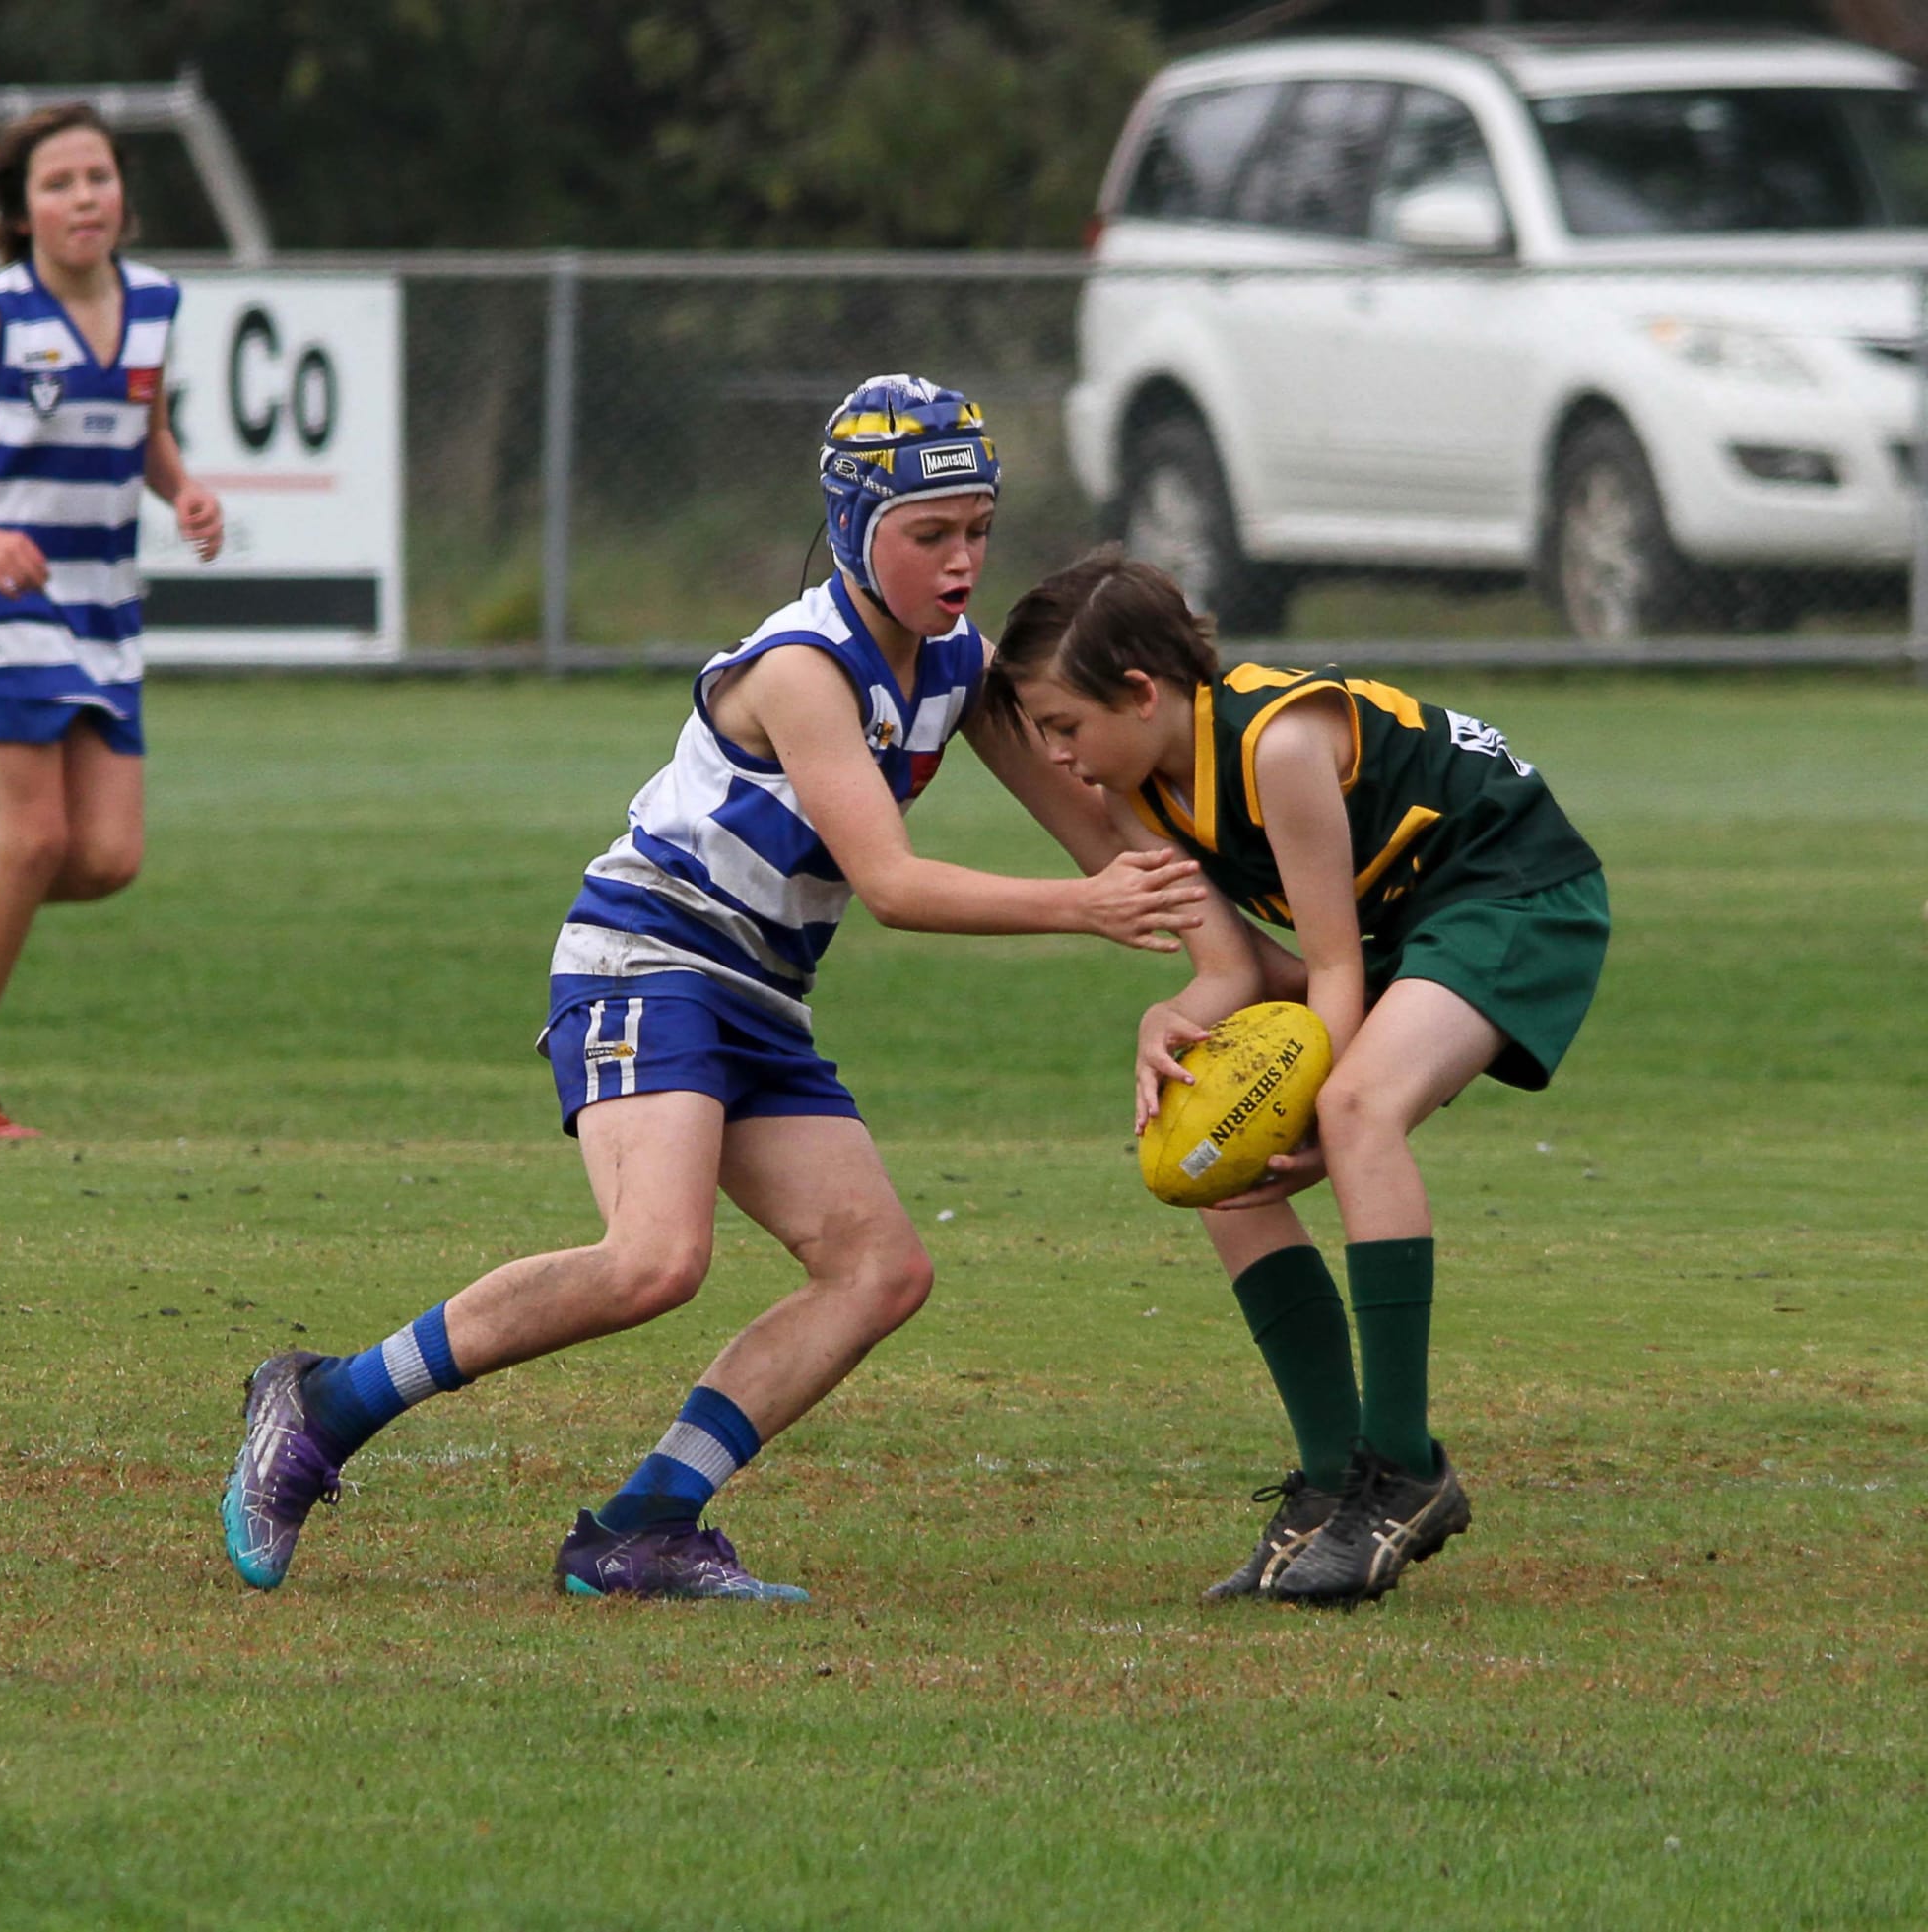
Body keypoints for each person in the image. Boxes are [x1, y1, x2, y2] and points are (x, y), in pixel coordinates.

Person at [221, 376, 1206, 1601]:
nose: (962, 562)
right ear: (854, 527)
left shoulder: (960, 665)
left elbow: (1106, 840)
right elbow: (892, 883)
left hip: (758, 996)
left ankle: (641, 1526)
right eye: (928, 534)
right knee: (652, 1259)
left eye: (978, 530)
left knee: (880, 1269)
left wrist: (1276, 959)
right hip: (648, 958)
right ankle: (320, 1404)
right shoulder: (802, 668)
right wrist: (1086, 912)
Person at [985, 548, 1608, 1608]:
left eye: (1062, 726)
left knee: (1357, 1109)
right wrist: (1166, 1019)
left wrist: (1321, 1127)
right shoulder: (1146, 783)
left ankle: (1404, 1468)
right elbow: (1230, 968)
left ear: (1140, 693)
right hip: (1406, 927)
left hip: (1514, 896)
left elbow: (1329, 968)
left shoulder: (1276, 745)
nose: (1057, 756)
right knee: (1209, 1155)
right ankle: (1330, 1483)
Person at [0, 103, 223, 1139]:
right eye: (58, 183)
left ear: (123, 192)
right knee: (34, 842)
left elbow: (145, 428)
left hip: (105, 608)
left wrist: (184, 488)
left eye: (97, 178)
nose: (83, 199)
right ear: (20, 211)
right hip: (4, 603)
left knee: (105, 858)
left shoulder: (154, 302)